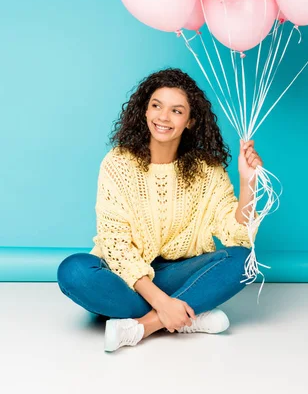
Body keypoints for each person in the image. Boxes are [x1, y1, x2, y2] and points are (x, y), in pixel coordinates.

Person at [57, 68, 262, 352]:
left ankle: (143, 326)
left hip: (177, 273)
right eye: (156, 106)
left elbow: (236, 235)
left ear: (190, 121)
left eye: (176, 111)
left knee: (244, 260)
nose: (163, 117)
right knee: (74, 271)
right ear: (145, 111)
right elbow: (115, 245)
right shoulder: (118, 163)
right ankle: (189, 313)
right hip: (126, 277)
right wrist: (163, 301)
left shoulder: (208, 170)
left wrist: (247, 181)